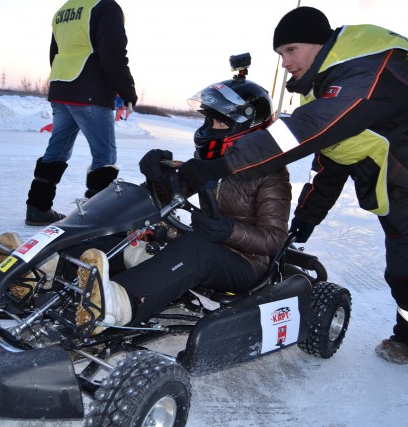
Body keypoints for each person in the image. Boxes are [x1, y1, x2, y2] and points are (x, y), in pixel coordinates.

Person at [173, 6, 408, 391]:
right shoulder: (326, 93)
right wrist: (306, 218)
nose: (285, 62)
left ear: (321, 43)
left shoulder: (373, 66)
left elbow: (303, 131)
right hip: (404, 201)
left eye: (291, 50)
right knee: (403, 276)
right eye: (280, 54)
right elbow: (332, 165)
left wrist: (220, 164)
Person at [74, 76, 292, 335]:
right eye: (208, 120)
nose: (210, 128)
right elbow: (168, 200)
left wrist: (228, 231)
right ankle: (54, 268)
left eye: (220, 122)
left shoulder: (271, 174)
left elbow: (273, 240)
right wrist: (158, 178)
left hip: (246, 262)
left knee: (196, 248)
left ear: (247, 129)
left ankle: (117, 304)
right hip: (207, 241)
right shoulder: (210, 163)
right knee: (139, 233)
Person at [25, 0, 137, 226]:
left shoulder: (65, 9)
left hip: (61, 87)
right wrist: (127, 90)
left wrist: (63, 85)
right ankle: (94, 220)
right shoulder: (105, 7)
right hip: (91, 92)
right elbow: (113, 54)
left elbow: (54, 53)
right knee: (104, 158)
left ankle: (37, 208)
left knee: (56, 152)